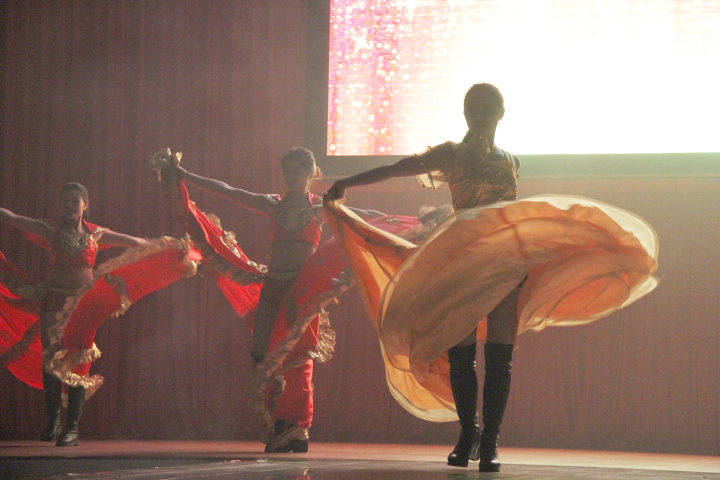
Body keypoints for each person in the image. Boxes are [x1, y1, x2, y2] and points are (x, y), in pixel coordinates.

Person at [324, 83, 658, 472]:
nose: (478, 115)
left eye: (486, 108)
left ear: (501, 113)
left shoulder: (511, 161)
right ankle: (469, 434)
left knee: (500, 355)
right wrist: (346, 182)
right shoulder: (450, 154)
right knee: (461, 353)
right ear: (465, 113)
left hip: (506, 265)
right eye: (472, 108)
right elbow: (395, 169)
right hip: (462, 264)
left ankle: (490, 443)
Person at [155, 147, 386, 453]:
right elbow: (228, 191)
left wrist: (401, 222)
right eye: (287, 171)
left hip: (302, 291)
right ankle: (280, 423)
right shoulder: (271, 204)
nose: (292, 176)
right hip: (274, 286)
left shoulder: (320, 208)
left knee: (299, 357)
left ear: (312, 174)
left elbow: (361, 217)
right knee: (263, 354)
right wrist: (186, 176)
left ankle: (297, 428)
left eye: (298, 171)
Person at [0, 183, 148, 446]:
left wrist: (166, 247)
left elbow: (136, 243)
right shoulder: (50, 230)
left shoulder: (97, 234)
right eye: (65, 201)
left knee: (79, 360)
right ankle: (53, 421)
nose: (69, 206)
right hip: (54, 300)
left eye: (74, 201)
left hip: (84, 305)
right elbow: (11, 218)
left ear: (85, 205)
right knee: (52, 360)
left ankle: (73, 428)